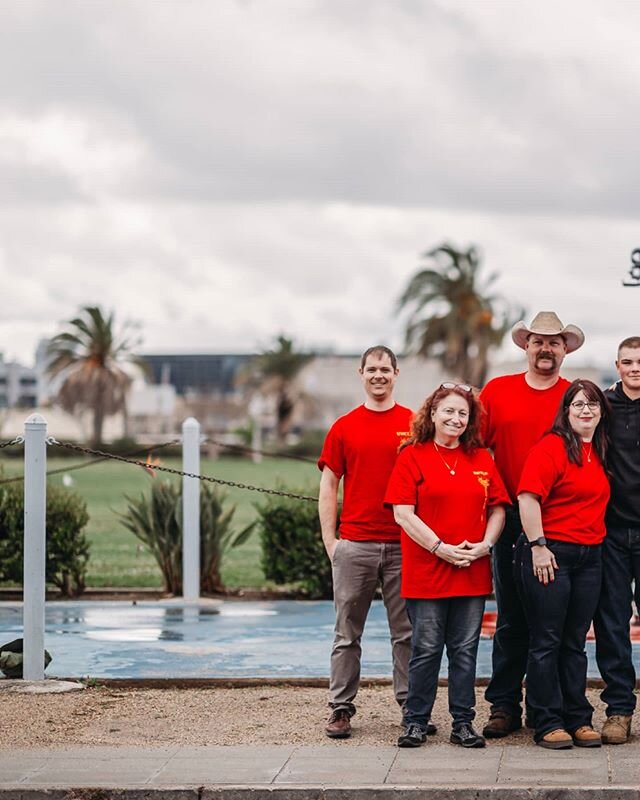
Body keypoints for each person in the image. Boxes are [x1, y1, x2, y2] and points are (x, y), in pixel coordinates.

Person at [385, 383, 508, 748]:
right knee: (425, 649)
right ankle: (415, 722)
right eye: (449, 412)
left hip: (471, 571)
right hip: (427, 572)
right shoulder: (412, 455)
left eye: (463, 414)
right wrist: (439, 548)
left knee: (465, 650)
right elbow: (403, 514)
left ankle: (463, 723)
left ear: (470, 421)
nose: (455, 419)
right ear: (433, 414)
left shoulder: (482, 458)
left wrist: (485, 545)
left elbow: (499, 506)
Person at [480, 311, 585, 739]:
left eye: (554, 342)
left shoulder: (573, 397)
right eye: (538, 341)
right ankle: (504, 704)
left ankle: (555, 707)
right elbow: (476, 449)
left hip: (559, 526)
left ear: (565, 349)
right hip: (508, 521)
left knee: (558, 624)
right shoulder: (498, 391)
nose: (546, 349)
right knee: (511, 618)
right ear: (525, 346)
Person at [318, 345, 417, 739]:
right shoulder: (344, 426)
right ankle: (340, 707)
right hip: (354, 545)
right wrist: (332, 542)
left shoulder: (413, 424)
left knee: (408, 633)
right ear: (361, 373)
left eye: (385, 369)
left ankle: (412, 707)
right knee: (346, 634)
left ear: (397, 373)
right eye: (372, 369)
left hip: (403, 545)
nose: (379, 375)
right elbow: (329, 484)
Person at [517, 379, 610, 749]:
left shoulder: (601, 449)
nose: (585, 410)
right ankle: (547, 720)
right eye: (578, 405)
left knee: (574, 642)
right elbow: (527, 498)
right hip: (552, 552)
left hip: (591, 556)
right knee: (546, 640)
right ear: (566, 411)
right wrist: (538, 546)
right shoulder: (551, 447)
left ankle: (578, 718)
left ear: (602, 412)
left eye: (593, 405)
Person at [593, 336, 640, 744]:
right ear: (618, 365)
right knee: (611, 625)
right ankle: (619, 710)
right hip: (610, 532)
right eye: (627, 362)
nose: (635, 368)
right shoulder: (604, 407)